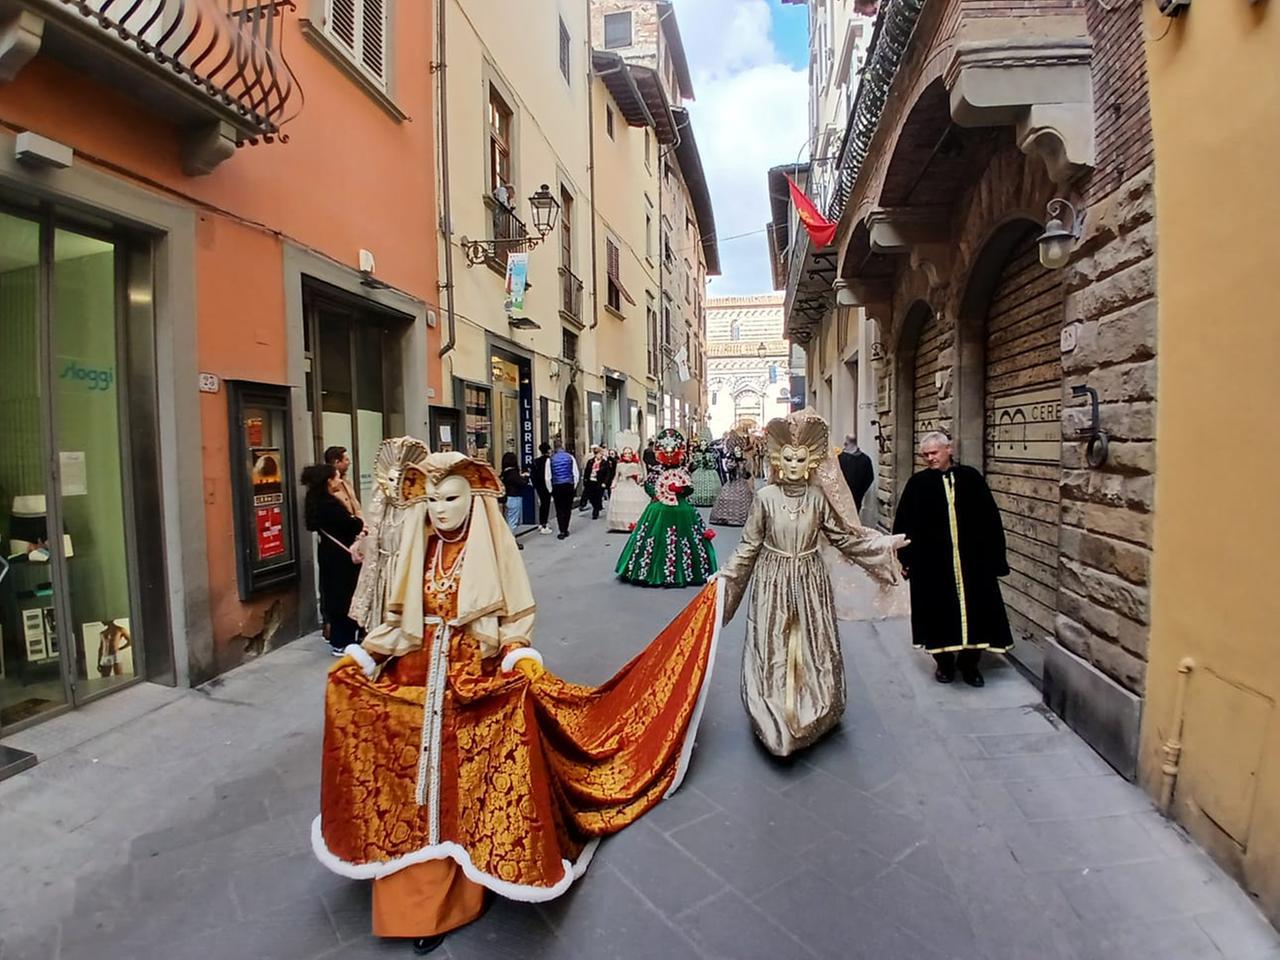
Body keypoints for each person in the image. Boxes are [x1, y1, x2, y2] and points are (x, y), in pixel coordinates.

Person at [315, 446, 724, 955]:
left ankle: (462, 884)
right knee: (413, 789)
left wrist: (517, 655)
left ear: (473, 498)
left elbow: (511, 621)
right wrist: (366, 657)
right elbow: (400, 624)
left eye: (452, 498)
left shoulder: (490, 548)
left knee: (468, 787)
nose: (441, 509)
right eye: (433, 500)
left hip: (476, 689)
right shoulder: (419, 550)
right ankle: (413, 896)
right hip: (416, 687)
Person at [718, 410, 907, 756]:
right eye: (787, 459)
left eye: (800, 459)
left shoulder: (819, 500)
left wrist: (883, 545)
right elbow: (747, 548)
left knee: (811, 646)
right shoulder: (765, 500)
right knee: (772, 646)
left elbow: (845, 540)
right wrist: (724, 584)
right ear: (778, 459)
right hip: (772, 582)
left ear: (811, 462)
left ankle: (814, 709)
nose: (792, 465)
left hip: (809, 580)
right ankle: (773, 715)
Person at [892, 431, 1013, 687]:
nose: (929, 459)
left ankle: (970, 666)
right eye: (925, 455)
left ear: (949, 450)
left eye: (934, 453)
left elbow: (990, 519)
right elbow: (904, 524)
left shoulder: (971, 479)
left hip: (973, 563)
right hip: (932, 566)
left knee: (977, 613)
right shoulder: (917, 484)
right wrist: (905, 559)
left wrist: (995, 558)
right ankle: (944, 665)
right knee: (936, 615)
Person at [616, 429, 717, 587]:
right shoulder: (657, 471)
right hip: (660, 507)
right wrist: (658, 494)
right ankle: (652, 570)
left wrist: (681, 490)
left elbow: (690, 488)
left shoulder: (682, 471)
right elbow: (649, 486)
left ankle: (687, 570)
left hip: (681, 507)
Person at [302, 462, 365, 656]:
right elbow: (352, 524)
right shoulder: (329, 504)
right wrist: (357, 522)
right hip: (341, 556)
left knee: (334, 594)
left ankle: (341, 638)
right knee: (344, 596)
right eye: (336, 477)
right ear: (328, 481)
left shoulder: (315, 500)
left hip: (329, 553)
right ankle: (343, 640)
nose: (339, 480)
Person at [542, 439, 581, 539]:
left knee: (559, 508)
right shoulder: (570, 457)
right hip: (568, 485)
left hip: (557, 485)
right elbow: (575, 473)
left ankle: (561, 530)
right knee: (567, 508)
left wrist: (550, 489)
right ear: (562, 446)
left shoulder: (550, 459)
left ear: (554, 448)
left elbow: (547, 477)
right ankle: (565, 528)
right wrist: (574, 486)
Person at [606, 447, 650, 531]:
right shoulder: (619, 465)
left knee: (633, 505)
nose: (627, 455)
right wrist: (613, 485)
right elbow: (616, 476)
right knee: (622, 505)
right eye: (625, 453)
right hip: (622, 485)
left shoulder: (636, 464)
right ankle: (621, 525)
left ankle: (633, 524)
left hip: (632, 485)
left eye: (629, 453)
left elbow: (640, 477)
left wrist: (635, 476)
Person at [498, 452, 529, 550]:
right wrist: (526, 477)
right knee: (513, 521)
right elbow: (522, 483)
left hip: (507, 499)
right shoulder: (513, 473)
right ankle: (510, 542)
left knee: (509, 520)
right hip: (514, 498)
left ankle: (508, 540)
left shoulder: (504, 473)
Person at [838, 435, 875, 513]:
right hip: (857, 496)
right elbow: (870, 478)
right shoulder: (865, 459)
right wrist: (861, 491)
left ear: (846, 443)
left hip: (844, 496)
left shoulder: (840, 459)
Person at [324, 445, 362, 518]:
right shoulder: (327, 485)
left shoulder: (346, 480)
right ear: (337, 462)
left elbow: (355, 505)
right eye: (346, 460)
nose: (349, 463)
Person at [688, 440, 722, 508]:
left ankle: (711, 499)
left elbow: (713, 464)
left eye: (704, 445)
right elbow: (695, 463)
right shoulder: (697, 454)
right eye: (702, 445)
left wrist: (708, 464)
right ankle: (698, 499)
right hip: (698, 472)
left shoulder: (710, 454)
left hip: (709, 472)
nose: (703, 447)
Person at [580, 447, 611, 519]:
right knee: (591, 497)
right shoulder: (590, 462)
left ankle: (595, 512)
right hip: (590, 482)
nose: (600, 455)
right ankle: (595, 506)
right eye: (599, 454)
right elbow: (587, 471)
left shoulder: (604, 463)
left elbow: (607, 474)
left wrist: (605, 482)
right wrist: (585, 480)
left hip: (599, 482)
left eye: (601, 454)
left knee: (598, 497)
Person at [531, 442, 553, 534]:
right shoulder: (549, 460)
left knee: (542, 504)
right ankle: (544, 523)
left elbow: (532, 475)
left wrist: (535, 485)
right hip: (547, 485)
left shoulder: (536, 461)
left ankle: (541, 522)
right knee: (546, 504)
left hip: (539, 486)